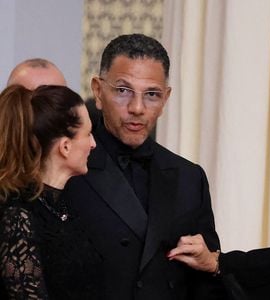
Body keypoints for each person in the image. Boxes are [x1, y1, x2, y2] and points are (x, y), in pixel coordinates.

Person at [63, 33, 224, 299]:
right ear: (98, 91)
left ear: (166, 99)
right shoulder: (69, 168)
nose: (137, 108)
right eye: (123, 91)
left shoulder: (189, 177)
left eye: (151, 94)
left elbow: (205, 282)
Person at [0, 85, 105, 299]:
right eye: (88, 134)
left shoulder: (68, 203)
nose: (93, 144)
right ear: (65, 147)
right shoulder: (17, 215)